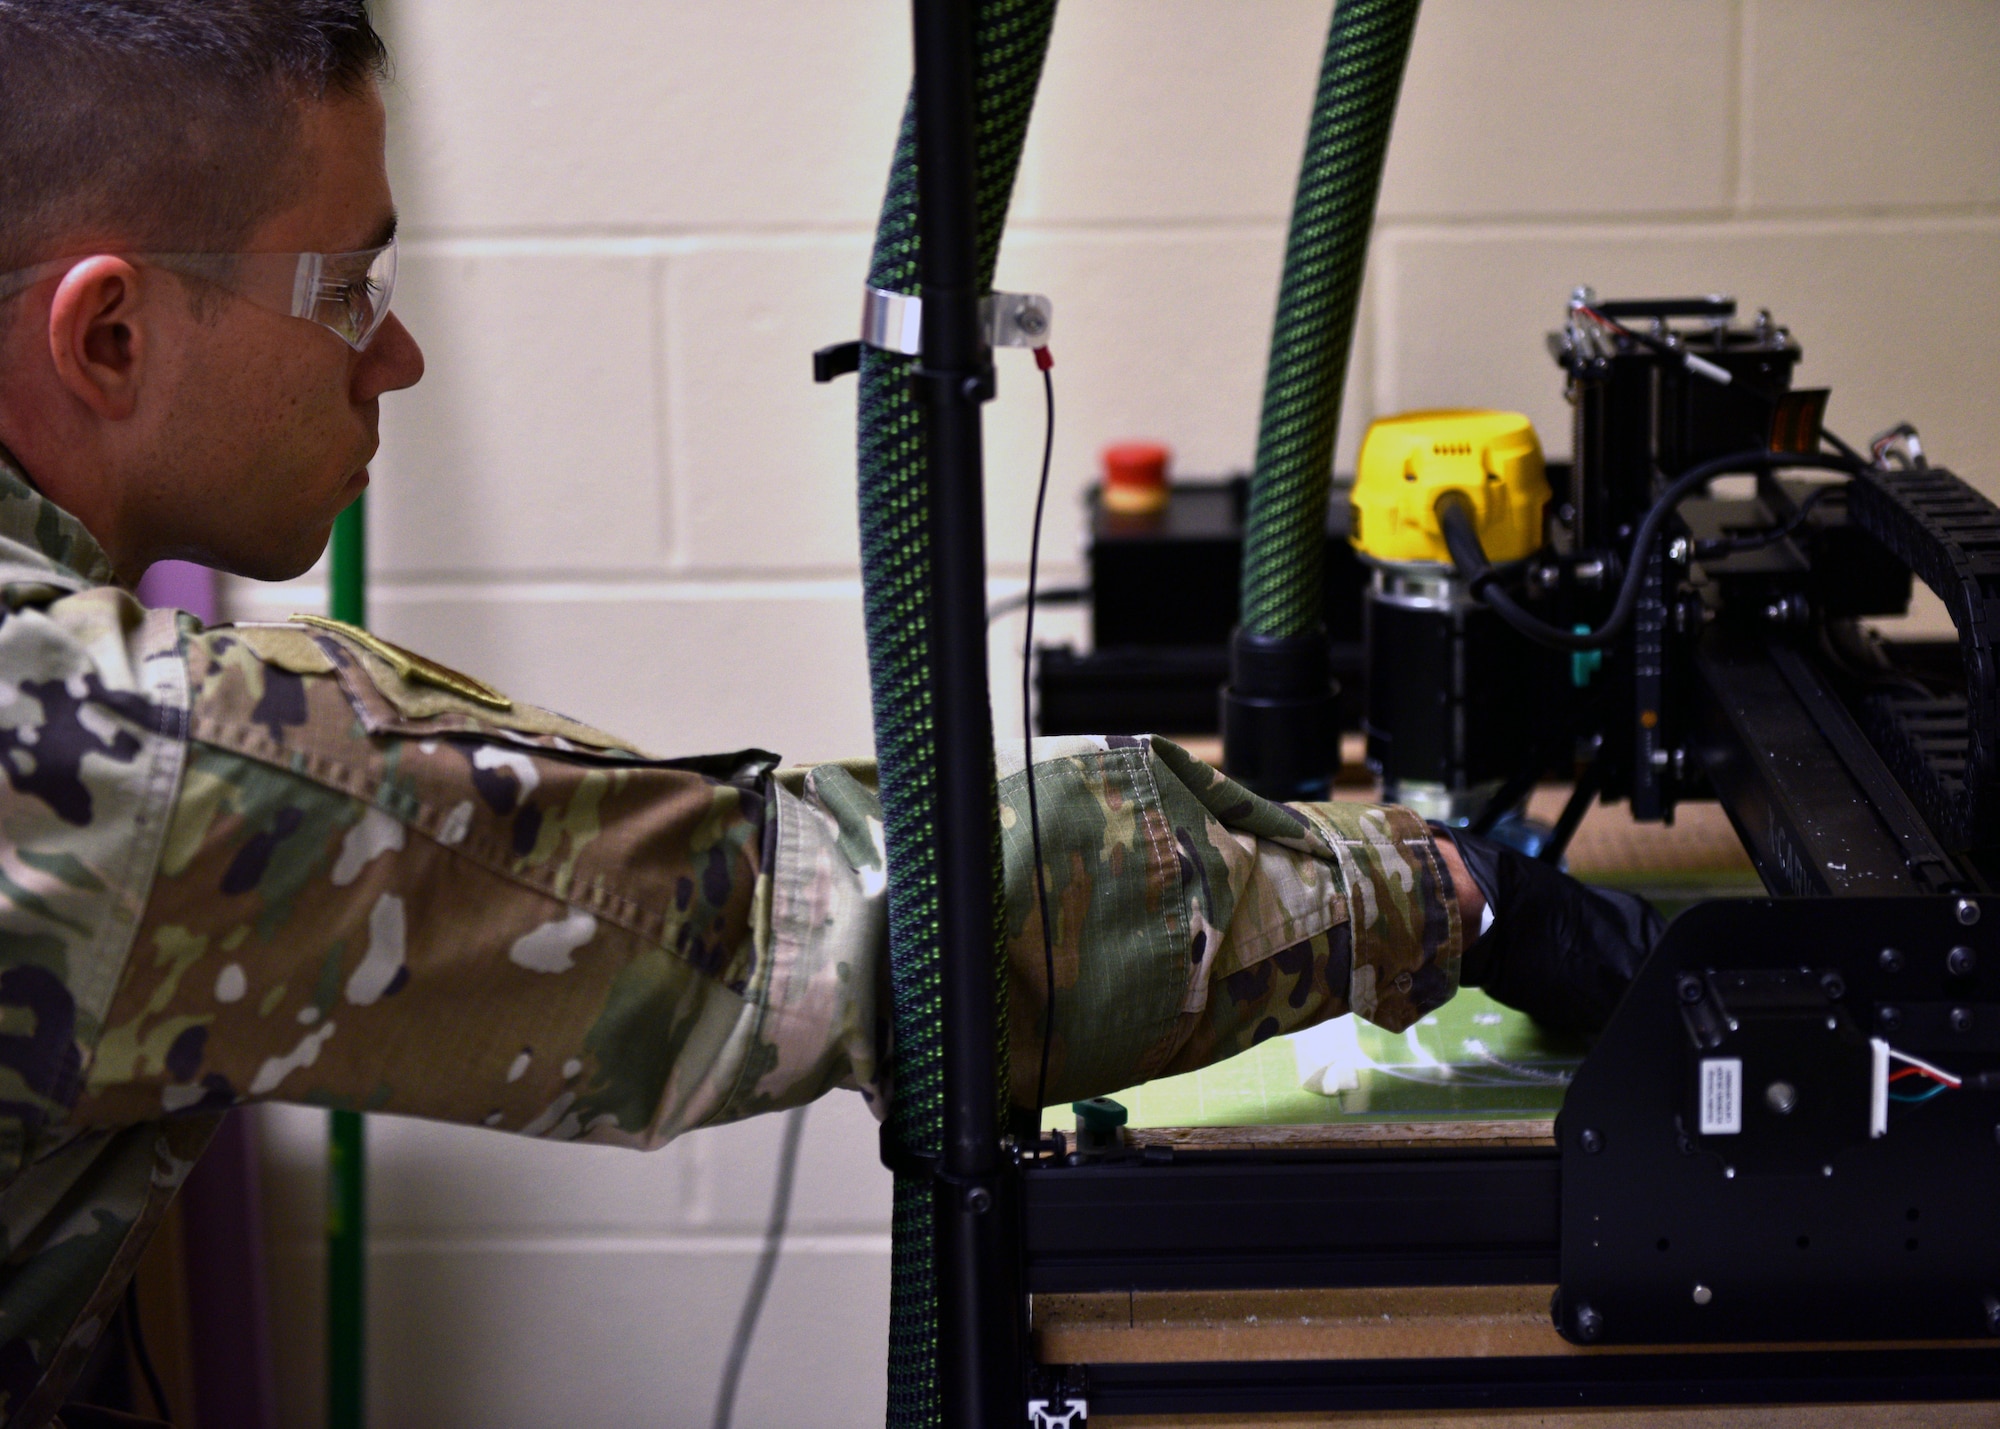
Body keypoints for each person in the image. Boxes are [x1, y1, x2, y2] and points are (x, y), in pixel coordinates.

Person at [0, 3, 1654, 1422]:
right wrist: (1454, 892)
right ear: (112, 329)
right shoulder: (108, 756)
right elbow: (868, 916)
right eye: (350, 290)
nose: (403, 353)